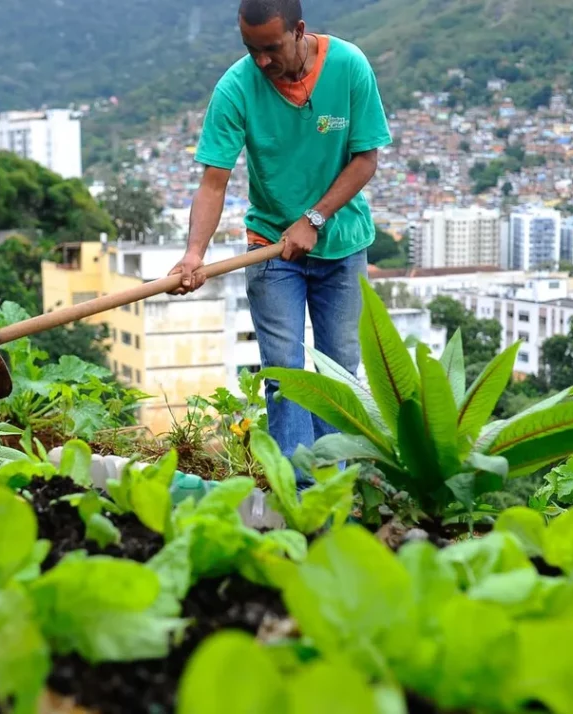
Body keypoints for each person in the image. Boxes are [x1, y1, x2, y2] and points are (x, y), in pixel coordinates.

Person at [169, 0, 391, 480]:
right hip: (271, 246)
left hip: (342, 243)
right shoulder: (236, 86)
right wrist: (194, 254)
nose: (262, 61)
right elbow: (213, 181)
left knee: (336, 373)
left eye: (271, 49)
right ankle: (301, 490)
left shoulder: (349, 67)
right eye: (251, 49)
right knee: (284, 371)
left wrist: (314, 218)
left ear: (299, 31)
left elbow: (365, 159)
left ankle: (337, 482)